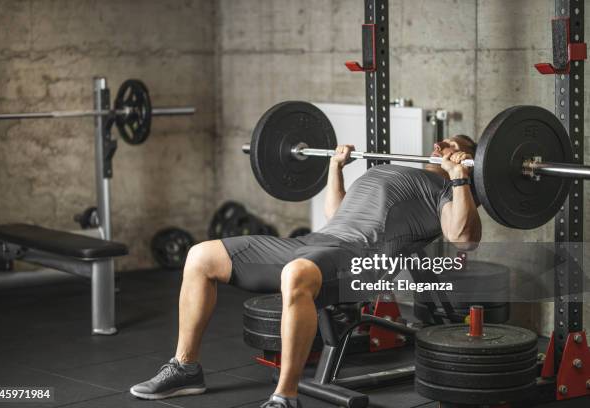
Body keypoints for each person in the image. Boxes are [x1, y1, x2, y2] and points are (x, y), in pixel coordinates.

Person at [130, 135, 482, 408]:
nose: (441, 146)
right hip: (321, 241)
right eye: (443, 142)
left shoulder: (446, 192)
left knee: (296, 273)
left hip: (361, 261)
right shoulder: (392, 170)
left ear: (467, 159)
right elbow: (336, 213)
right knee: (200, 256)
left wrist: (459, 176)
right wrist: (335, 168)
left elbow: (462, 236)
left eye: (454, 145)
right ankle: (186, 367)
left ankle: (285, 396)